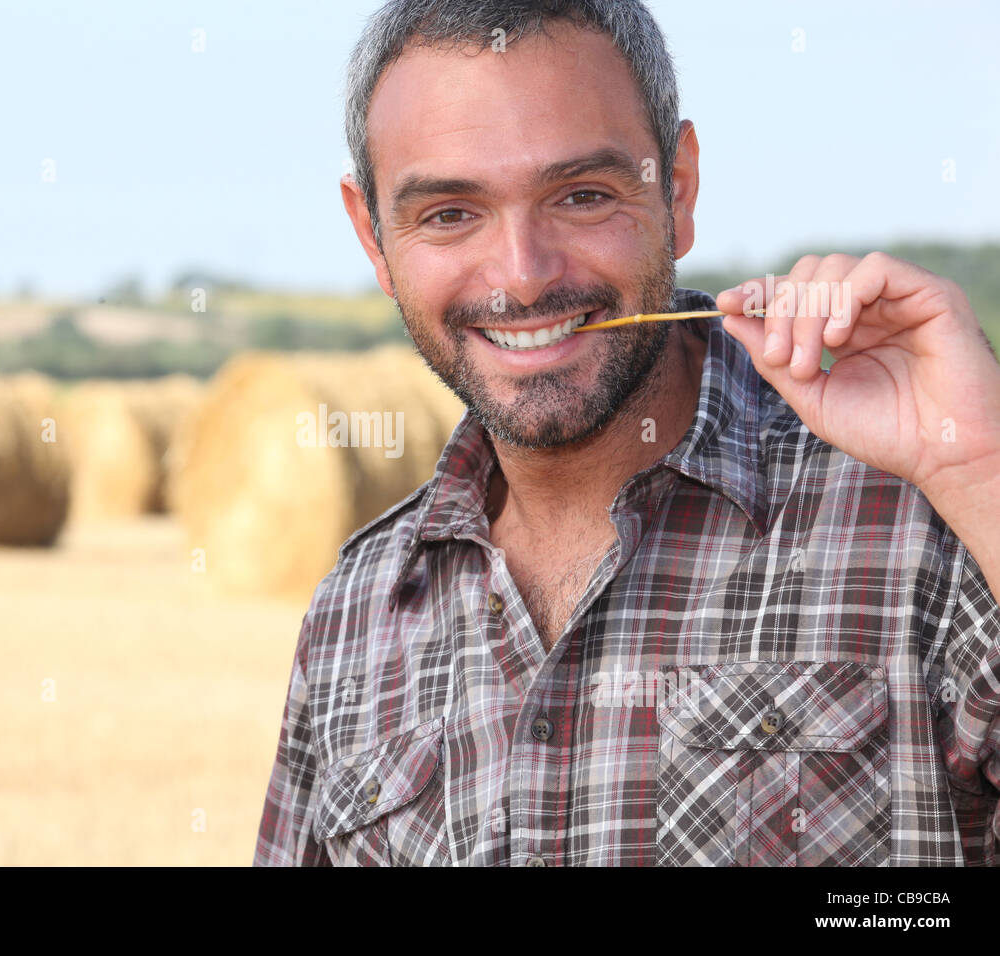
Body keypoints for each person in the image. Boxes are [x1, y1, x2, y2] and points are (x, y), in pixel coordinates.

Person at [253, 0, 1000, 866]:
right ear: (373, 236)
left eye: (582, 196)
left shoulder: (928, 515)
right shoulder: (352, 616)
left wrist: (982, 467)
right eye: (451, 213)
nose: (522, 276)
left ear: (676, 188)